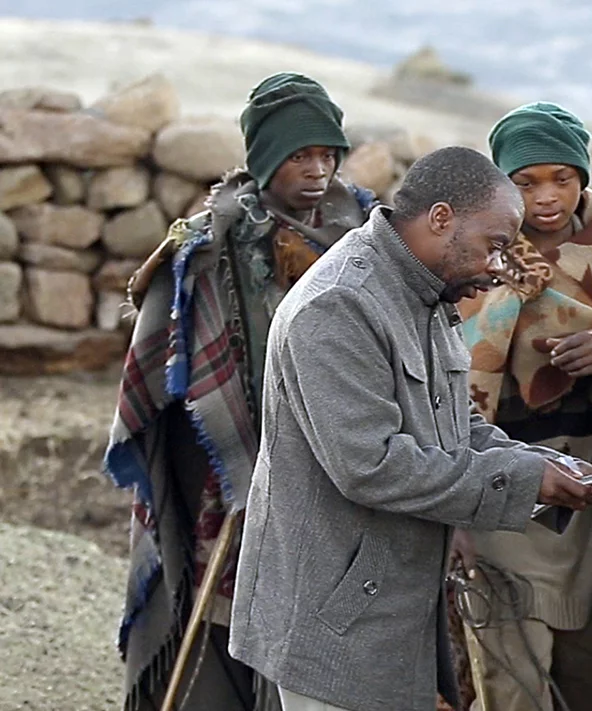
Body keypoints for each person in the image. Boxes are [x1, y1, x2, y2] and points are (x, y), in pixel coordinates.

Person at [228, 146, 592, 711]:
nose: (497, 266)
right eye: (495, 245)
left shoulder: (424, 292)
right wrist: (524, 479)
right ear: (441, 219)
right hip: (334, 618)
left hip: (383, 607)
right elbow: (372, 466)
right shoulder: (341, 304)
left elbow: (454, 423)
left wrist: (539, 464)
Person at [104, 72, 375, 711]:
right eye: (298, 156)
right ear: (264, 160)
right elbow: (171, 366)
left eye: (326, 154)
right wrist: (239, 469)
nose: (316, 170)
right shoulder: (210, 244)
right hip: (227, 473)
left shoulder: (364, 230)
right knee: (221, 613)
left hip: (335, 467)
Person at [451, 102, 592, 711]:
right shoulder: (475, 251)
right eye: (525, 183)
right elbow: (452, 372)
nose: (546, 197)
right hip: (501, 487)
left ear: (583, 176)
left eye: (562, 177)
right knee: (509, 673)